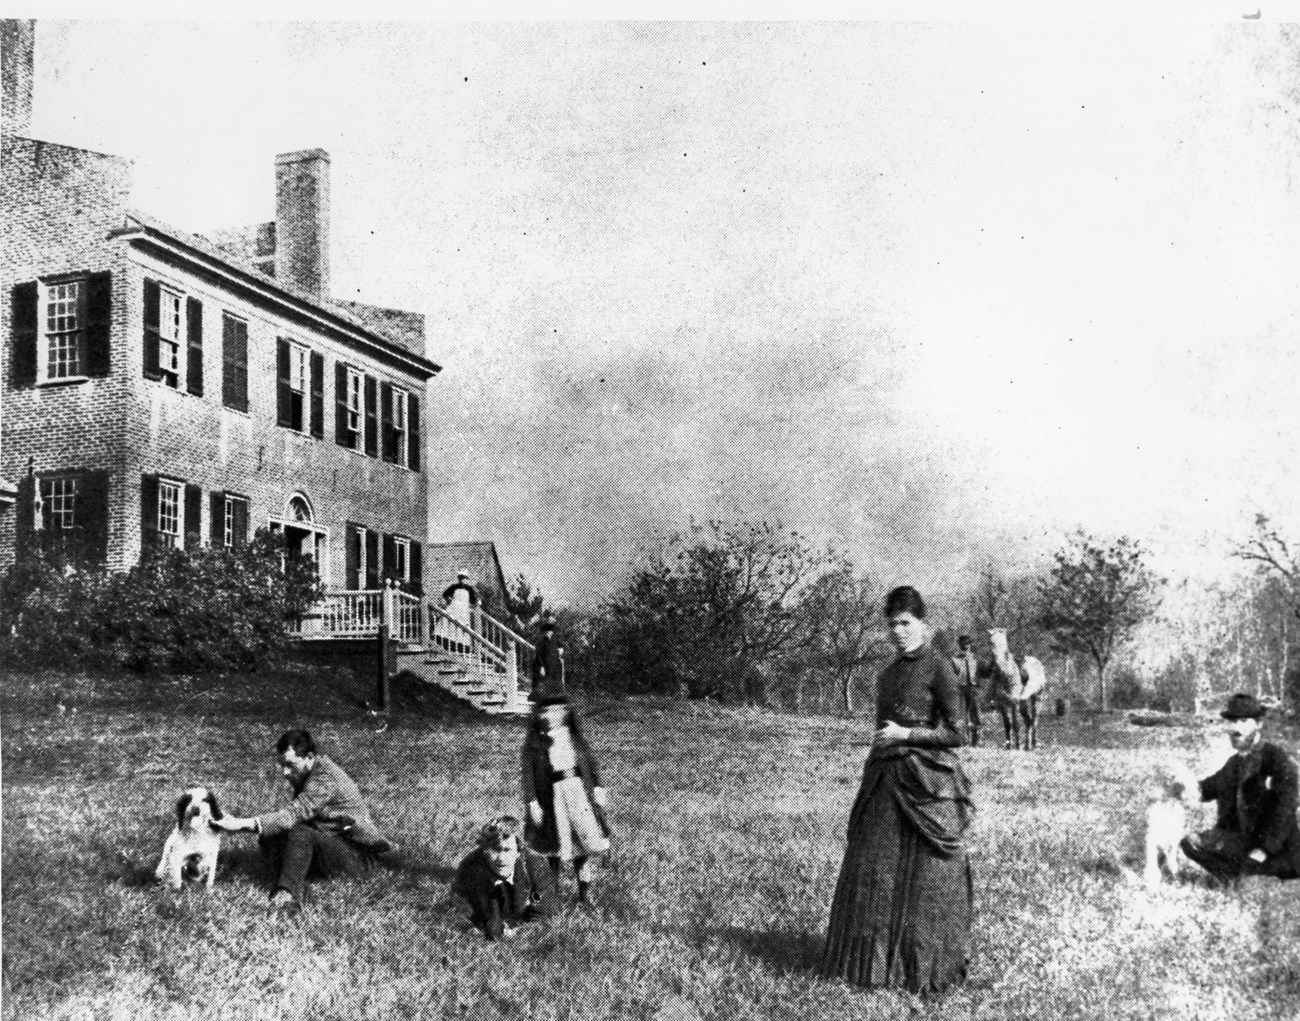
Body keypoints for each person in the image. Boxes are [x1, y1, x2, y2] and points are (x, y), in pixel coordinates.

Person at [821, 585, 974, 996]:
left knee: (929, 876)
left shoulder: (940, 667)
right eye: (892, 625)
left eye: (905, 623)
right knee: (873, 867)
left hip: (928, 783)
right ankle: (868, 968)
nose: (898, 632)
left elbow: (958, 733)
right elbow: (881, 731)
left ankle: (923, 970)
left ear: (923, 623)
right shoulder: (887, 675)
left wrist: (907, 734)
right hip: (885, 779)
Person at [213, 729, 393, 911]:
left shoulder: (325, 778)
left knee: (299, 833)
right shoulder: (309, 773)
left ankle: (287, 894)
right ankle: (298, 877)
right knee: (271, 836)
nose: (285, 772)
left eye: (290, 765)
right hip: (333, 844)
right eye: (282, 765)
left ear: (309, 757)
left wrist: (240, 824)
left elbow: (292, 815)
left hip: (359, 858)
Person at [1179, 693, 1300, 885]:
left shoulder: (1276, 760)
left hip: (1277, 849)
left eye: (1243, 721)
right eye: (1232, 722)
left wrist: (1263, 849)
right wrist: (1179, 784)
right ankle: (1232, 877)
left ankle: (1255, 877)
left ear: (1258, 724)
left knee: (1257, 877)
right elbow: (1206, 788)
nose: (1236, 729)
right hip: (1243, 842)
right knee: (1190, 842)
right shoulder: (1234, 763)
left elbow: (1285, 811)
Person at [521, 692, 610, 905]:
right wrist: (532, 801)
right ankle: (552, 893)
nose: (551, 715)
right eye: (545, 711)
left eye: (557, 710)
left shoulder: (575, 739)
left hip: (578, 795)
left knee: (582, 846)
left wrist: (598, 787)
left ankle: (584, 894)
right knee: (554, 847)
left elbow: (590, 764)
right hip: (552, 798)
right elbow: (528, 775)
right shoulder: (534, 743)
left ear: (566, 712)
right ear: (539, 714)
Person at [452, 815, 560, 941]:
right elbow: (460, 903)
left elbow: (547, 909)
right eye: (495, 850)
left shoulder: (536, 866)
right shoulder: (470, 867)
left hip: (522, 918)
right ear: (484, 851)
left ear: (518, 852)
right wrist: (481, 923)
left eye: (507, 850)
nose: (502, 858)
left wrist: (519, 930)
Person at [951, 634, 982, 747]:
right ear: (959, 645)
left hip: (973, 689)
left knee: (976, 714)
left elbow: (984, 672)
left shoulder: (975, 658)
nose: (966, 646)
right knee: (962, 715)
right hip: (961, 689)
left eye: (968, 644)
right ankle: (964, 741)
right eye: (964, 644)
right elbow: (952, 676)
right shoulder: (954, 660)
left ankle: (976, 741)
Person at [439, 570, 479, 653]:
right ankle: (449, 644)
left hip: (464, 610)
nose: (462, 580)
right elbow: (445, 594)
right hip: (454, 607)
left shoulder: (469, 589)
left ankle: (461, 646)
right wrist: (449, 599)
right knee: (451, 625)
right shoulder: (454, 587)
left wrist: (476, 602)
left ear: (467, 579)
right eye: (460, 577)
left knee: (462, 627)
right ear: (458, 578)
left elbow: (473, 600)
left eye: (464, 578)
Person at [530, 612, 564, 696]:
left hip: (554, 664)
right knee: (546, 682)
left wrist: (561, 650)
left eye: (550, 631)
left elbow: (562, 646)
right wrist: (541, 667)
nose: (549, 632)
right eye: (547, 631)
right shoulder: (541, 642)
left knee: (556, 682)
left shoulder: (555, 640)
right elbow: (538, 655)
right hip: (545, 665)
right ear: (544, 632)